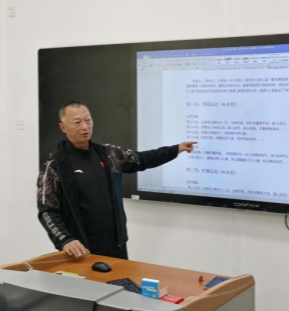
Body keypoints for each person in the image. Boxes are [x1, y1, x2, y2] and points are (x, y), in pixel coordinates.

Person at [37, 101, 196, 259]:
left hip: (117, 246)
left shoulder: (108, 155)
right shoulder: (55, 165)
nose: (85, 126)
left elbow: (142, 159)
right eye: (77, 122)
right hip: (82, 251)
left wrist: (175, 149)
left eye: (88, 120)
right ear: (63, 127)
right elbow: (47, 210)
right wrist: (65, 240)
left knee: (121, 276)